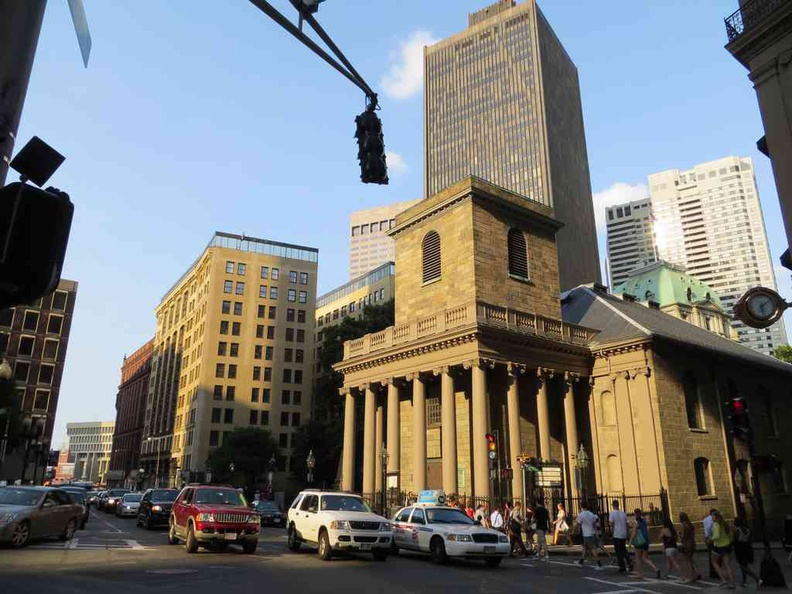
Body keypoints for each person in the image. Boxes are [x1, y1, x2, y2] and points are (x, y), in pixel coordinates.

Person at [630, 509, 661, 580]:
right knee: (644, 558)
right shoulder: (644, 521)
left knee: (638, 558)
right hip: (646, 541)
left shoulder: (636, 522)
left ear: (635, 514)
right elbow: (647, 531)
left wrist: (630, 542)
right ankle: (656, 568)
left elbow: (634, 532)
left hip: (639, 541)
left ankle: (640, 574)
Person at [709, 510, 736, 589]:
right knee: (727, 565)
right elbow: (730, 534)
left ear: (716, 517)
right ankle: (732, 583)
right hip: (727, 545)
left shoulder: (716, 524)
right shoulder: (725, 523)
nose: (712, 518)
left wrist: (711, 539)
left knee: (714, 561)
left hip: (719, 546)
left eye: (713, 516)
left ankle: (723, 579)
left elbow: (716, 536)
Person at [575, 502, 603, 570]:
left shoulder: (581, 515)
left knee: (592, 549)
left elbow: (578, 523)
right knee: (585, 548)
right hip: (591, 532)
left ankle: (599, 564)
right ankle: (581, 561)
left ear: (582, 507)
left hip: (586, 533)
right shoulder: (591, 514)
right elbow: (594, 523)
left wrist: (577, 530)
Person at [733, 517, 759, 587]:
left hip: (739, 548)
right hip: (747, 548)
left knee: (742, 566)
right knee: (745, 565)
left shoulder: (737, 530)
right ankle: (744, 582)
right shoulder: (748, 530)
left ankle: (757, 579)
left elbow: (735, 540)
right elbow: (750, 539)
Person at [609, 500, 633, 573]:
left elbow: (611, 523)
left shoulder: (612, 513)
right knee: (623, 549)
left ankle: (622, 566)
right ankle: (629, 562)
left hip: (616, 534)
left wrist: (612, 531)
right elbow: (627, 524)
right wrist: (627, 533)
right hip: (623, 533)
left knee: (618, 551)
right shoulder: (623, 513)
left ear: (613, 505)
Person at [678, 512, 701, 582]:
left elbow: (684, 537)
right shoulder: (691, 525)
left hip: (687, 544)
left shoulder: (684, 526)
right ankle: (697, 572)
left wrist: (680, 535)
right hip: (692, 543)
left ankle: (692, 576)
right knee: (691, 559)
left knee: (688, 561)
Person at [703, 508, 719, 579]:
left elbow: (706, 530)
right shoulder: (714, 520)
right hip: (714, 539)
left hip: (708, 538)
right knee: (717, 556)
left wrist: (706, 538)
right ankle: (717, 572)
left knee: (711, 556)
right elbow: (710, 529)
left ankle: (712, 573)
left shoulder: (705, 519)